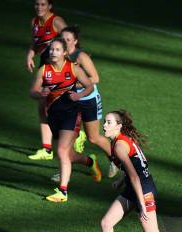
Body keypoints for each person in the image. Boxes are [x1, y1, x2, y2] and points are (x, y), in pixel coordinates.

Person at [85, 110, 172, 232]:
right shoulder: (119, 141)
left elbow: (134, 175)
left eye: (109, 122)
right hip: (136, 187)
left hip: (143, 190)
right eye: (105, 121)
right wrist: (120, 180)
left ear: (119, 126)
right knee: (106, 223)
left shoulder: (119, 146)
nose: (104, 125)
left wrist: (141, 203)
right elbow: (133, 167)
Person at [30, 37, 102, 202]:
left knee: (62, 151)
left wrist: (79, 95)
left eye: (56, 49)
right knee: (66, 154)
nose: (53, 52)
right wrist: (40, 94)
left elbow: (89, 85)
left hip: (71, 114)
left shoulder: (73, 68)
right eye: (51, 49)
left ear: (64, 52)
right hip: (53, 116)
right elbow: (32, 91)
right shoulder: (44, 70)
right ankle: (90, 161)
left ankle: (63, 192)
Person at [61, 25, 118, 178]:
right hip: (70, 101)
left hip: (88, 100)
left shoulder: (81, 57)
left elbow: (95, 79)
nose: (65, 42)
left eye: (68, 39)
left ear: (75, 41)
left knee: (93, 137)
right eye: (62, 39)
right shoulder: (58, 55)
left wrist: (73, 84)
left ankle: (115, 159)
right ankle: (63, 171)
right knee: (65, 139)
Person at [26, 0, 67, 161]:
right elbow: (36, 42)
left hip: (59, 69)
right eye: (37, 4)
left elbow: (69, 41)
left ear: (50, 6)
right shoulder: (34, 22)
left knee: (60, 107)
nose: (39, 7)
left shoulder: (56, 21)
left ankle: (77, 135)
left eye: (43, 4)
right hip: (45, 67)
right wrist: (30, 53)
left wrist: (74, 62)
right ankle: (47, 149)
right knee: (43, 106)